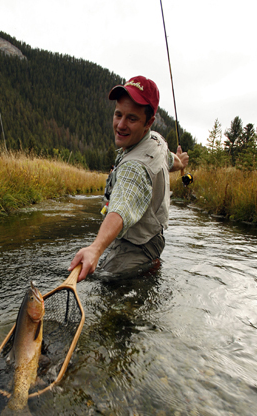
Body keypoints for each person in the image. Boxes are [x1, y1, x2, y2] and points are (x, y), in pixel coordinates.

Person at [69, 75, 189, 281]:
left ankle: (147, 272)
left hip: (137, 247)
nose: (121, 125)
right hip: (154, 238)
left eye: (131, 118)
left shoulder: (134, 167)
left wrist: (96, 248)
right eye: (118, 115)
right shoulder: (157, 141)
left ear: (148, 122)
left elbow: (122, 206)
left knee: (106, 287)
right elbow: (171, 160)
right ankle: (150, 268)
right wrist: (182, 163)